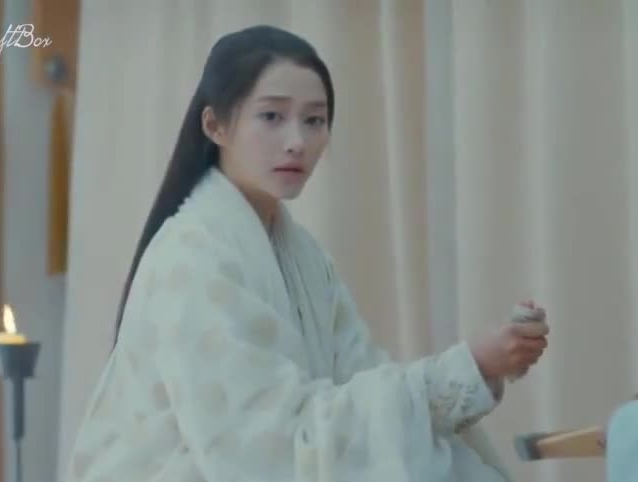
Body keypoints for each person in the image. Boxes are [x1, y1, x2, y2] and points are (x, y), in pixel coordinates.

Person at [63, 25, 549, 482]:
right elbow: (262, 450)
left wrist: (478, 368)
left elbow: (365, 391)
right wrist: (468, 366)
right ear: (215, 125)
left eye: (314, 120)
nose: (297, 142)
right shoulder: (192, 257)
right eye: (271, 117)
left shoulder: (303, 256)